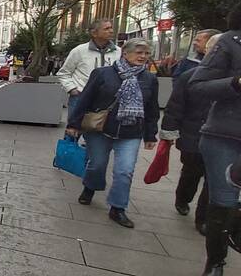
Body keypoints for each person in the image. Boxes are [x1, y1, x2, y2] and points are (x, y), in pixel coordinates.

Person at [67, 38, 159, 229]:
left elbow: (152, 109)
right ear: (125, 53)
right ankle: (90, 186)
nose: (143, 57)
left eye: (146, 53)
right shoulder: (103, 74)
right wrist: (74, 124)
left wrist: (151, 135)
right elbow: (85, 99)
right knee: (97, 164)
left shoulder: (149, 79)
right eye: (138, 52)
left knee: (125, 170)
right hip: (101, 129)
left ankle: (117, 208)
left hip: (131, 131)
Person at [188, 5, 241, 276]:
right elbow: (198, 86)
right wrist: (235, 83)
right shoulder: (230, 42)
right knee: (224, 201)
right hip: (226, 136)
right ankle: (216, 262)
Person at [160, 33, 223, 235]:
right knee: (191, 172)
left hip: (222, 139)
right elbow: (175, 105)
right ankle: (183, 198)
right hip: (194, 134)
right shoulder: (191, 76)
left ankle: (203, 218)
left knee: (214, 179)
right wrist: (169, 132)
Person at [57, 17, 121, 115]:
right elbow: (64, 73)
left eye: (111, 28)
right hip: (81, 97)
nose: (111, 31)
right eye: (106, 29)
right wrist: (72, 89)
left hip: (109, 100)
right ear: (94, 33)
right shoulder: (79, 50)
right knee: (75, 129)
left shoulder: (119, 52)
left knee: (103, 129)